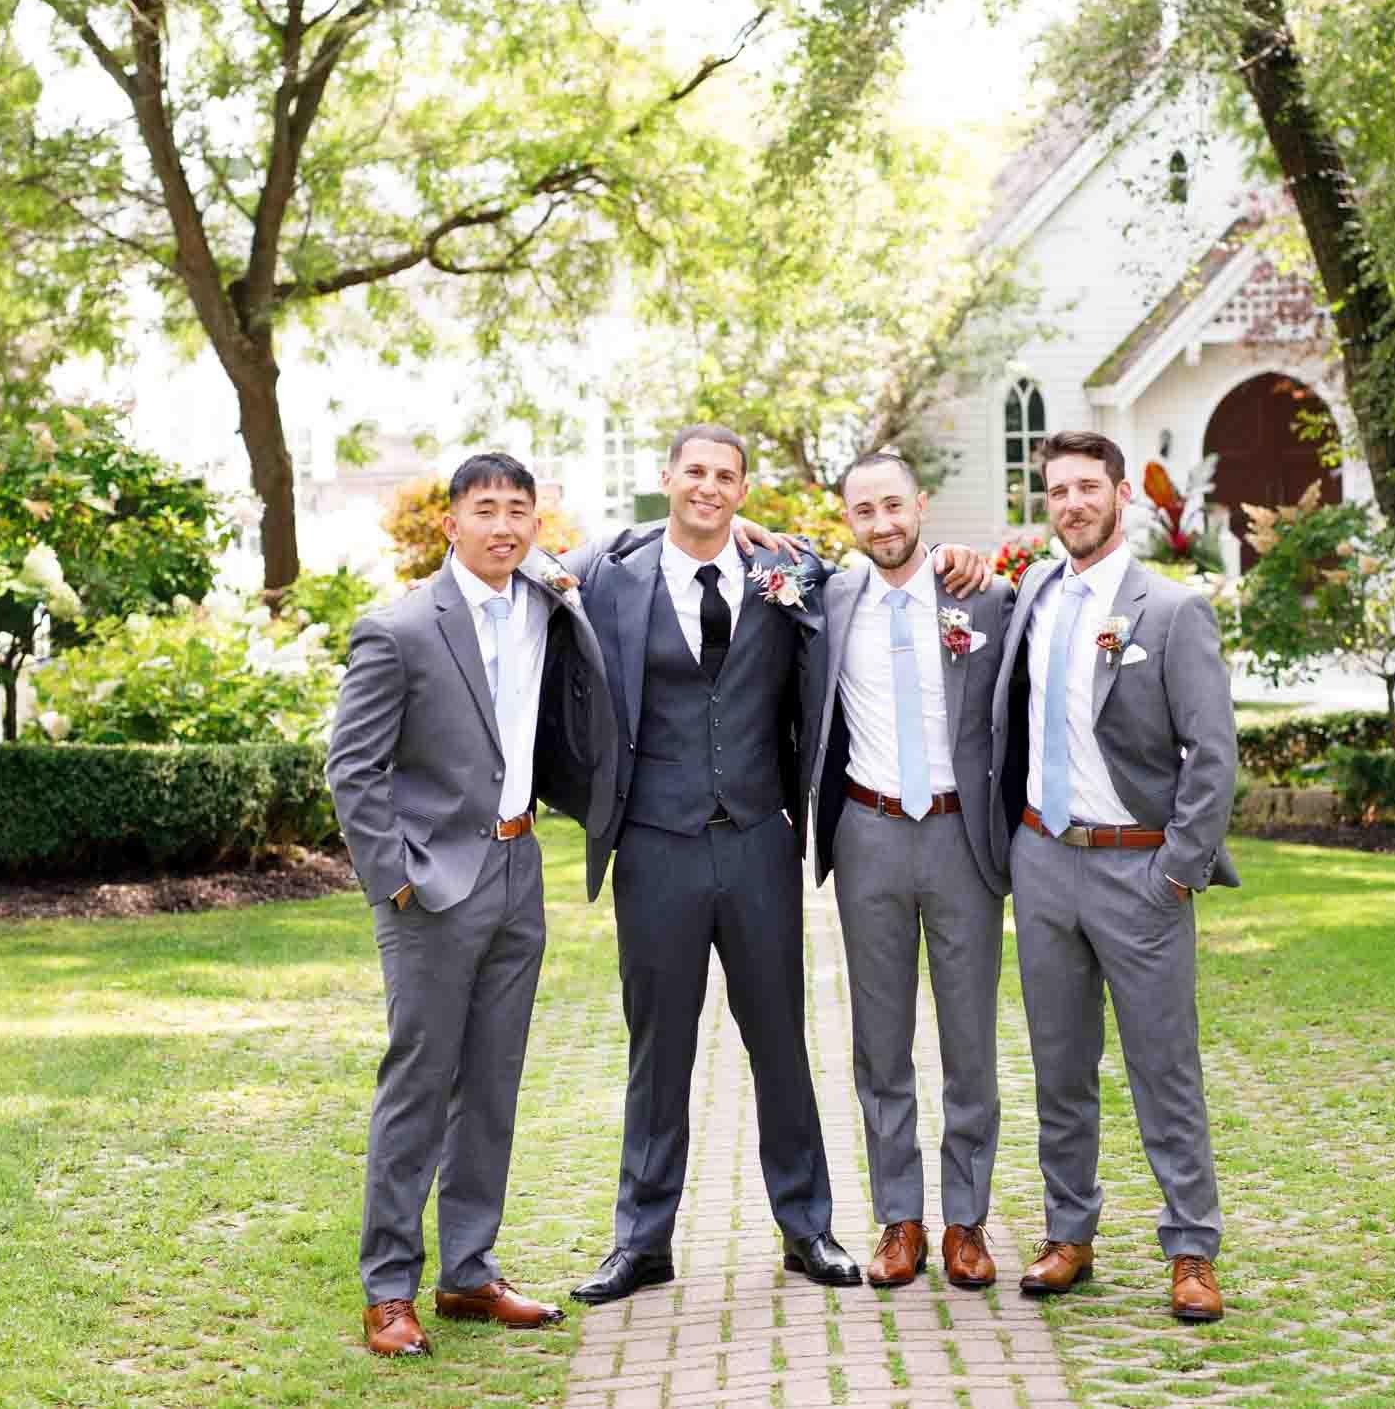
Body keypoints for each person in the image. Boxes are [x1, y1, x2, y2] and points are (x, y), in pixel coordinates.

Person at [565, 424, 992, 1303]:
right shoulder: (618, 572)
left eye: (726, 476)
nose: (709, 488)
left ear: (744, 488)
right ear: (666, 478)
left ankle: (807, 1228)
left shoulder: (792, 576)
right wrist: (619, 534)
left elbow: (887, 573)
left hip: (760, 841)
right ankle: (641, 1239)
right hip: (654, 846)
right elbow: (543, 568)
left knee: (781, 1044)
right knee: (659, 1049)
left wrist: (958, 557)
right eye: (695, 473)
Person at [326, 452, 616, 1359]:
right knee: (419, 1083)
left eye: (518, 510)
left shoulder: (548, 601)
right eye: (484, 508)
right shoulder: (401, 627)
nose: (502, 524)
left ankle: (468, 1272)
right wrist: (396, 879)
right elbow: (353, 768)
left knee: (492, 1082)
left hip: (517, 867)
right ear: (450, 522)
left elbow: (658, 543)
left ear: (536, 523)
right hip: (431, 886)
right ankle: (388, 1290)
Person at [989, 429, 1239, 1324]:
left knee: (1163, 1068)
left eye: (1087, 488)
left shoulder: (1170, 611)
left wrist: (1177, 870)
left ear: (1121, 495)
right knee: (1060, 1067)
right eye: (1057, 490)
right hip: (1044, 862)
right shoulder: (1030, 598)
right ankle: (1069, 1233)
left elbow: (1213, 757)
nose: (1071, 504)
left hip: (1140, 871)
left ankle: (1191, 1250)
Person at [805, 450, 1017, 1290]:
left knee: (969, 1041)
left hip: (961, 836)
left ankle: (967, 1221)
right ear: (847, 521)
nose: (883, 523)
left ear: (921, 504)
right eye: (865, 511)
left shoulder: (985, 596)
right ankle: (901, 1219)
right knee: (879, 1041)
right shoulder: (827, 599)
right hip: (869, 833)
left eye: (895, 505)